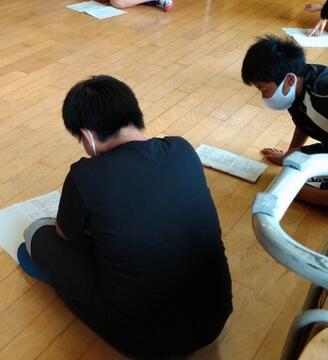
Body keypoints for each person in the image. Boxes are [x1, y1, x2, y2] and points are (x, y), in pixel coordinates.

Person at [17, 75, 232, 359]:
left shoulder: (86, 174)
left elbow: (64, 236)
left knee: (37, 233)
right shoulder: (182, 149)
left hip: (144, 339)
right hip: (215, 316)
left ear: (87, 136)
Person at [241, 34, 328, 210]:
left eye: (263, 89)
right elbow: (303, 121)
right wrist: (288, 154)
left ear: (289, 80)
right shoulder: (302, 80)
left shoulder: (323, 100)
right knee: (292, 165)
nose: (264, 97)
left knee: (294, 187)